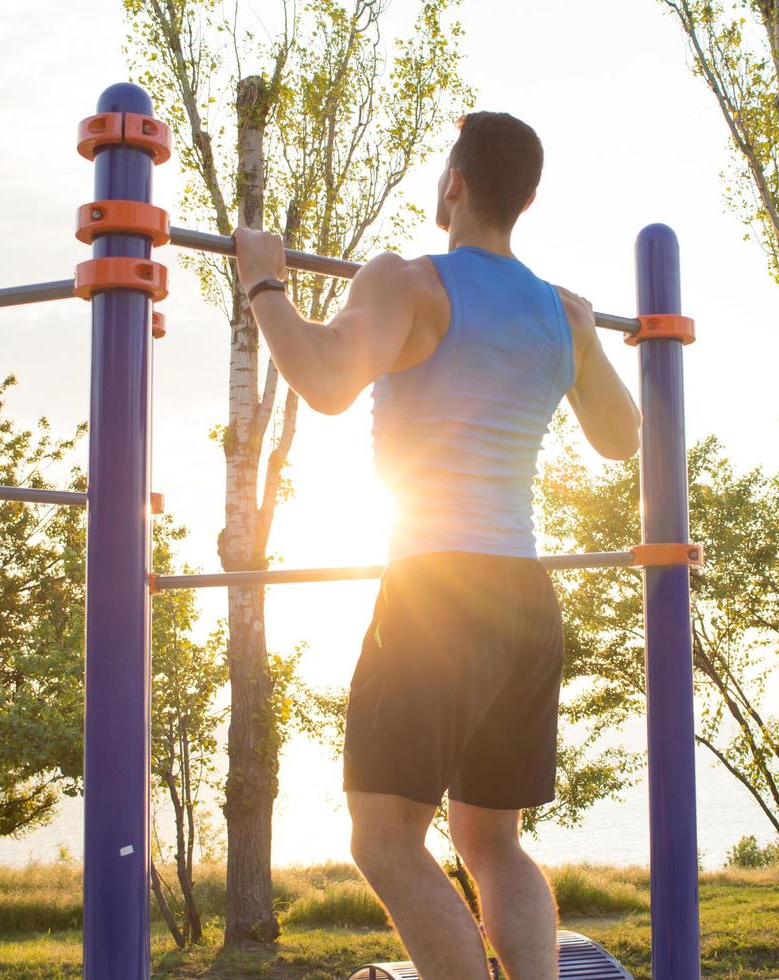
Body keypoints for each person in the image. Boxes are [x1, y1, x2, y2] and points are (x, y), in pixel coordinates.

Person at [232, 111, 640, 980]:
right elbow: (620, 437)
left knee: (384, 839)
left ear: (453, 183)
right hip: (524, 598)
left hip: (434, 592)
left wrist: (266, 284)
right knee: (491, 839)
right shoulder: (558, 313)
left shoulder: (407, 281)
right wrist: (589, 337)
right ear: (525, 199)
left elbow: (327, 381)